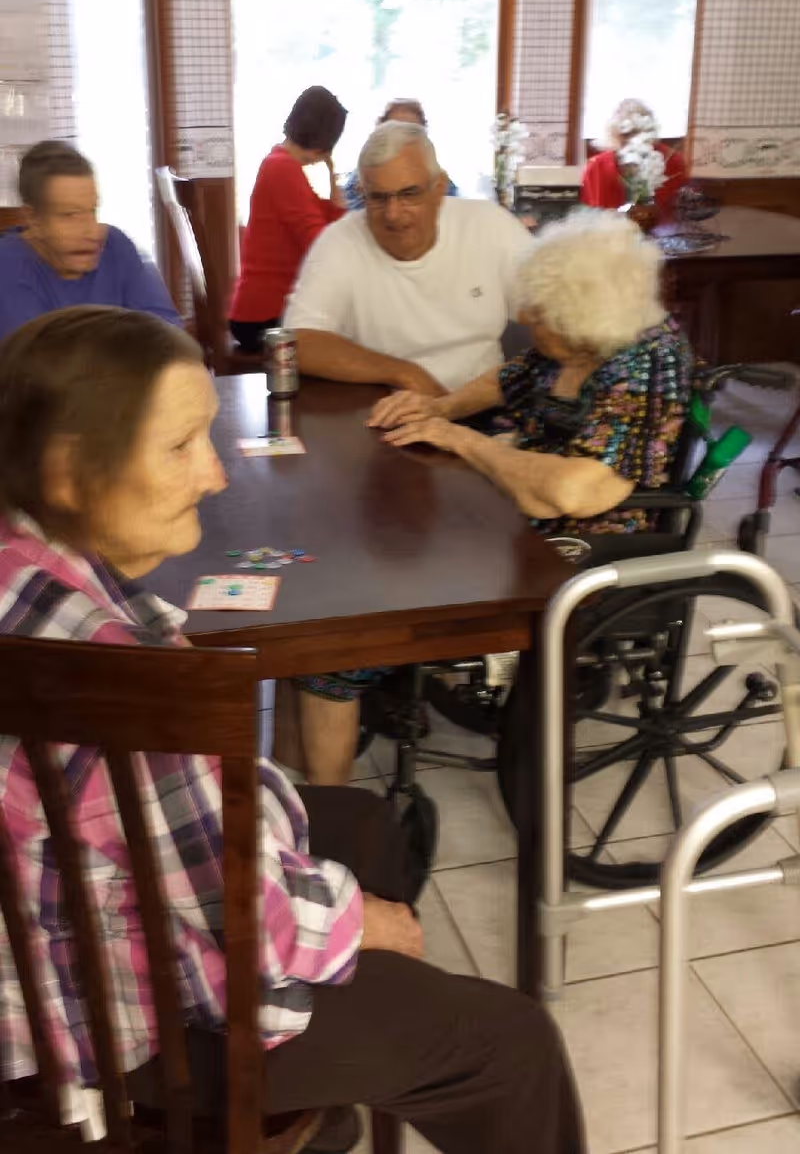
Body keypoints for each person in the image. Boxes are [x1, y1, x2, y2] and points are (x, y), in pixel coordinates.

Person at [0, 306, 584, 1154]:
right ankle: (252, 1104)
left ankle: (320, 1111)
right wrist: (362, 921)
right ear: (65, 469)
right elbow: (252, 920)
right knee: (508, 1044)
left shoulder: (25, 566)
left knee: (365, 822)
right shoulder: (125, 676)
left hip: (40, 935)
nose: (214, 475)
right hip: (111, 1019)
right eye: (180, 446)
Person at [369, 211, 693, 536]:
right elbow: (509, 378)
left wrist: (463, 440)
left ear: (579, 321)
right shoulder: (574, 344)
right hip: (519, 499)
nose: (522, 317)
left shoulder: (650, 359)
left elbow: (570, 492)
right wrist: (441, 408)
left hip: (580, 537)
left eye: (537, 313)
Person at [284, 121, 532, 396]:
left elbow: (553, 310)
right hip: (387, 412)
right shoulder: (340, 241)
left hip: (483, 406)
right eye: (378, 198)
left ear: (439, 189)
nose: (393, 213)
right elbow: (298, 343)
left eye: (409, 194)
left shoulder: (488, 224)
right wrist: (404, 373)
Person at [0, 141, 180, 341]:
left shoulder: (114, 245)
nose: (92, 232)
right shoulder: (7, 266)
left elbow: (168, 336)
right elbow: (41, 366)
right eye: (71, 215)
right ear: (33, 219)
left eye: (92, 210)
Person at [229, 86, 347, 353]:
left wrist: (331, 175)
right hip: (264, 317)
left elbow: (332, 222)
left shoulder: (281, 164)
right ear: (325, 141)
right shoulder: (281, 169)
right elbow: (321, 245)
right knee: (357, 330)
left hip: (265, 312)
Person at [580, 98, 687, 218]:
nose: (634, 141)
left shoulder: (672, 160)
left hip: (660, 232)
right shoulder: (597, 166)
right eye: (627, 134)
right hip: (610, 232)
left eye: (637, 133)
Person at [344, 98, 458, 209]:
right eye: (392, 130)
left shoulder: (442, 185)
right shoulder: (360, 180)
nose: (401, 139)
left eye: (411, 132)